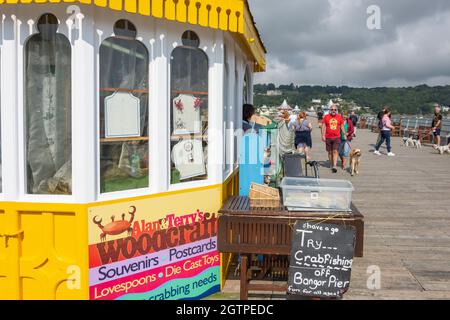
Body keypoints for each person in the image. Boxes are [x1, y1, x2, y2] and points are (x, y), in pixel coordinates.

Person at [322, 104, 345, 173]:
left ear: (336, 110)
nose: (333, 111)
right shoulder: (326, 117)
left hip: (337, 137)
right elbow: (323, 126)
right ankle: (331, 164)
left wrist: (344, 133)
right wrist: (323, 135)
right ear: (330, 110)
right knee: (329, 152)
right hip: (328, 137)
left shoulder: (339, 117)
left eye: (335, 110)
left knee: (335, 151)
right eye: (332, 109)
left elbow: (342, 126)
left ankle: (334, 165)